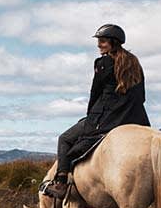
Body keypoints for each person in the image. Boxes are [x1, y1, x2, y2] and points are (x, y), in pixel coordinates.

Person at [42, 24, 151, 198]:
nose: (99, 45)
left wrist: (91, 117)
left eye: (102, 41)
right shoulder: (134, 62)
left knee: (64, 139)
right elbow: (142, 96)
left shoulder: (102, 63)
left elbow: (95, 93)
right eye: (99, 41)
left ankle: (61, 182)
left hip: (107, 118)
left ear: (113, 43)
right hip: (136, 118)